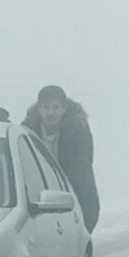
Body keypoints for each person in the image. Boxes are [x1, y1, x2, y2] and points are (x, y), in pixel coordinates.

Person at [22, 85, 100, 232]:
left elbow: (82, 170)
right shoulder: (27, 131)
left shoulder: (78, 130)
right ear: (39, 108)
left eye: (56, 107)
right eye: (46, 107)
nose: (51, 113)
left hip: (73, 192)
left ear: (64, 109)